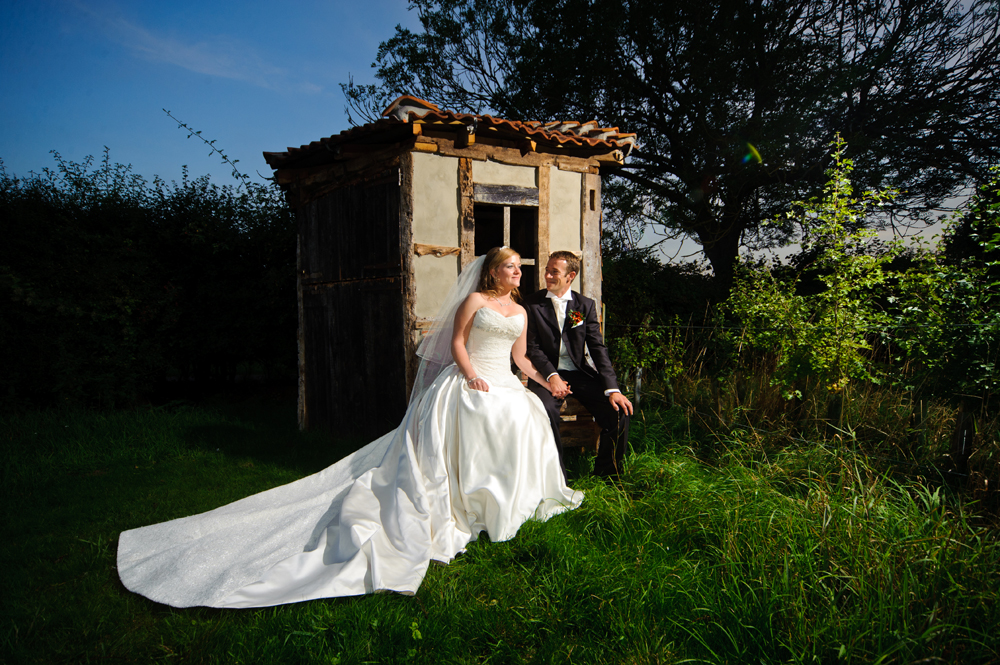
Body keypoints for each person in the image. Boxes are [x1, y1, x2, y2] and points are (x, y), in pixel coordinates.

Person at [116, 247, 581, 608]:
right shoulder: (476, 301)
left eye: (520, 267)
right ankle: (463, 499)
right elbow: (458, 344)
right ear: (493, 271)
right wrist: (472, 375)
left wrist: (549, 380)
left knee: (526, 413)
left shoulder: (520, 312)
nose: (519, 272)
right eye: (511, 267)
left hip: (505, 382)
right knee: (483, 413)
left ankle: (507, 500)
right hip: (472, 381)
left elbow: (520, 358)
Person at [523, 251, 633, 481]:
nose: (547, 275)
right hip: (545, 374)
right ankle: (554, 477)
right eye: (547, 270)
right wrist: (551, 376)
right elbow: (532, 348)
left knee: (619, 413)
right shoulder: (531, 304)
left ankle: (607, 475)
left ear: (570, 276)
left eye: (555, 272)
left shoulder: (584, 306)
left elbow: (597, 348)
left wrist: (612, 389)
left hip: (578, 373)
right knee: (544, 410)